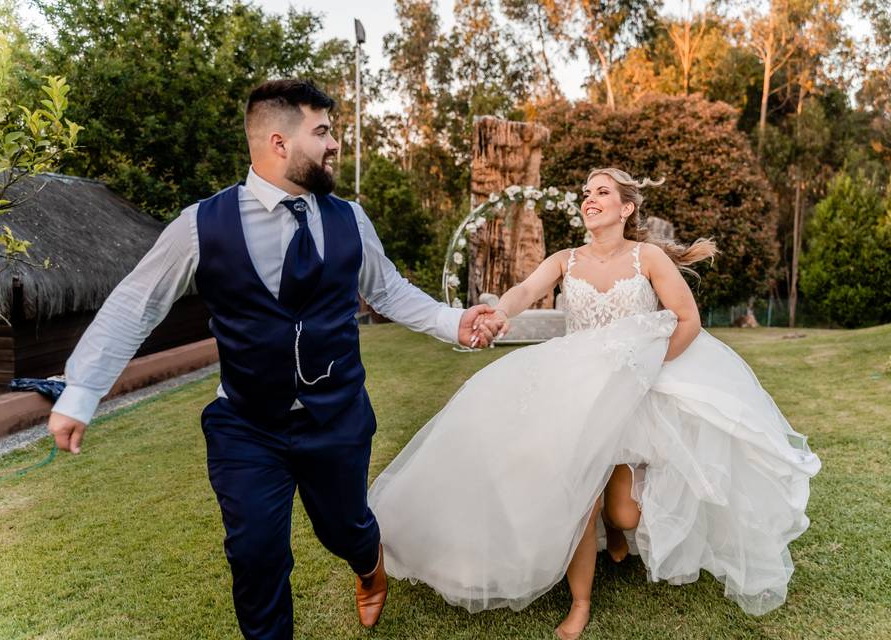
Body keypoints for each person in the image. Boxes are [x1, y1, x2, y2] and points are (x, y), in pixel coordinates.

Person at [46, 78, 499, 639]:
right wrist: (82, 391)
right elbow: (137, 304)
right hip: (245, 424)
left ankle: (369, 563)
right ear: (280, 142)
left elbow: (388, 291)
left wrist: (453, 321)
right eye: (324, 132)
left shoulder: (349, 219)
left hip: (335, 416)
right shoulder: (200, 225)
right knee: (255, 554)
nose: (334, 145)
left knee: (345, 528)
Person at [368, 168, 822, 639]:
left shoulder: (648, 258)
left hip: (636, 389)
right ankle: (580, 602)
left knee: (623, 512)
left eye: (602, 192)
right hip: (576, 390)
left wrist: (648, 372)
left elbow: (687, 320)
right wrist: (501, 312)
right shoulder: (566, 260)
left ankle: (618, 527)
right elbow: (525, 290)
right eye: (586, 193)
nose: (589, 199)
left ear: (625, 208)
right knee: (577, 497)